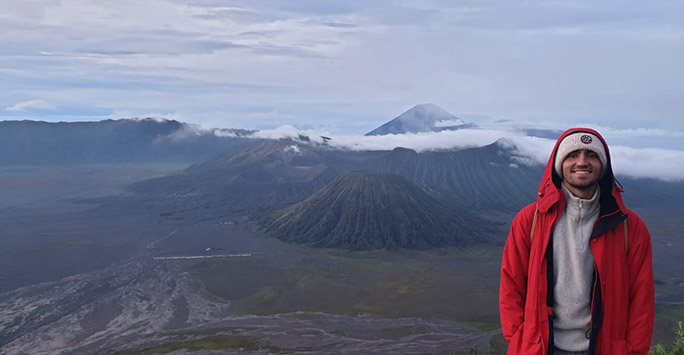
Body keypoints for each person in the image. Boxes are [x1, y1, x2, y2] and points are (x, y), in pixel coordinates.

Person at [499, 128, 655, 355]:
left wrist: (632, 350)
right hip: (540, 348)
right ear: (559, 164)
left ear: (603, 165)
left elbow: (642, 299)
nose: (582, 162)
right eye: (572, 155)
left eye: (591, 155)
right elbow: (511, 286)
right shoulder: (530, 221)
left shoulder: (630, 227)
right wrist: (520, 341)